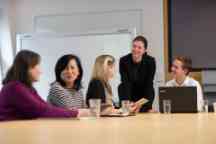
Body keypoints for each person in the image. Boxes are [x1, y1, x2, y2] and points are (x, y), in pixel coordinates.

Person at [0, 50, 89, 121]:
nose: (40, 71)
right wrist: (77, 113)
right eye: (38, 66)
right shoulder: (15, 88)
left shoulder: (27, 88)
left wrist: (79, 112)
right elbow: (42, 110)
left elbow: (44, 107)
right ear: (28, 68)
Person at [119, 35, 156, 112]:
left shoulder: (150, 61)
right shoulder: (124, 61)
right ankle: (127, 107)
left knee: (151, 89)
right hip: (128, 91)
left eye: (139, 47)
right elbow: (125, 83)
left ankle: (145, 108)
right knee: (121, 87)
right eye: (134, 46)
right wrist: (129, 103)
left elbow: (148, 83)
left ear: (144, 50)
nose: (136, 49)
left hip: (143, 91)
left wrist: (141, 105)